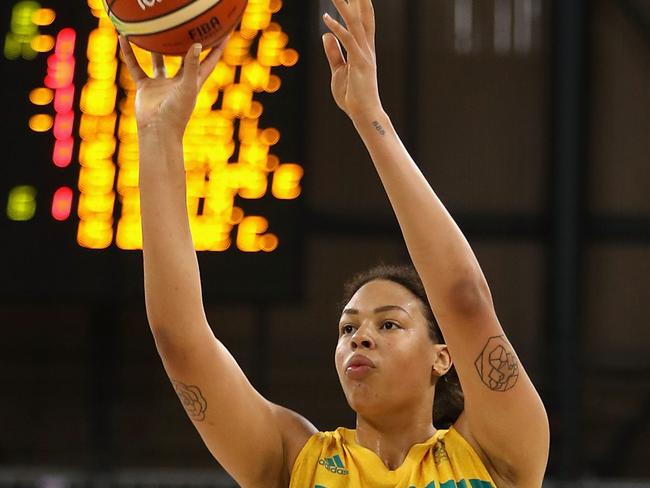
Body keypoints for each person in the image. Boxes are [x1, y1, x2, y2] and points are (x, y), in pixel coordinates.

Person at [119, 0, 549, 485]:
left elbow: (463, 298)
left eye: (389, 325)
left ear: (442, 358)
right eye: (347, 329)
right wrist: (157, 137)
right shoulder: (292, 459)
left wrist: (369, 116)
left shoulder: (495, 452)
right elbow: (180, 341)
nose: (359, 338)